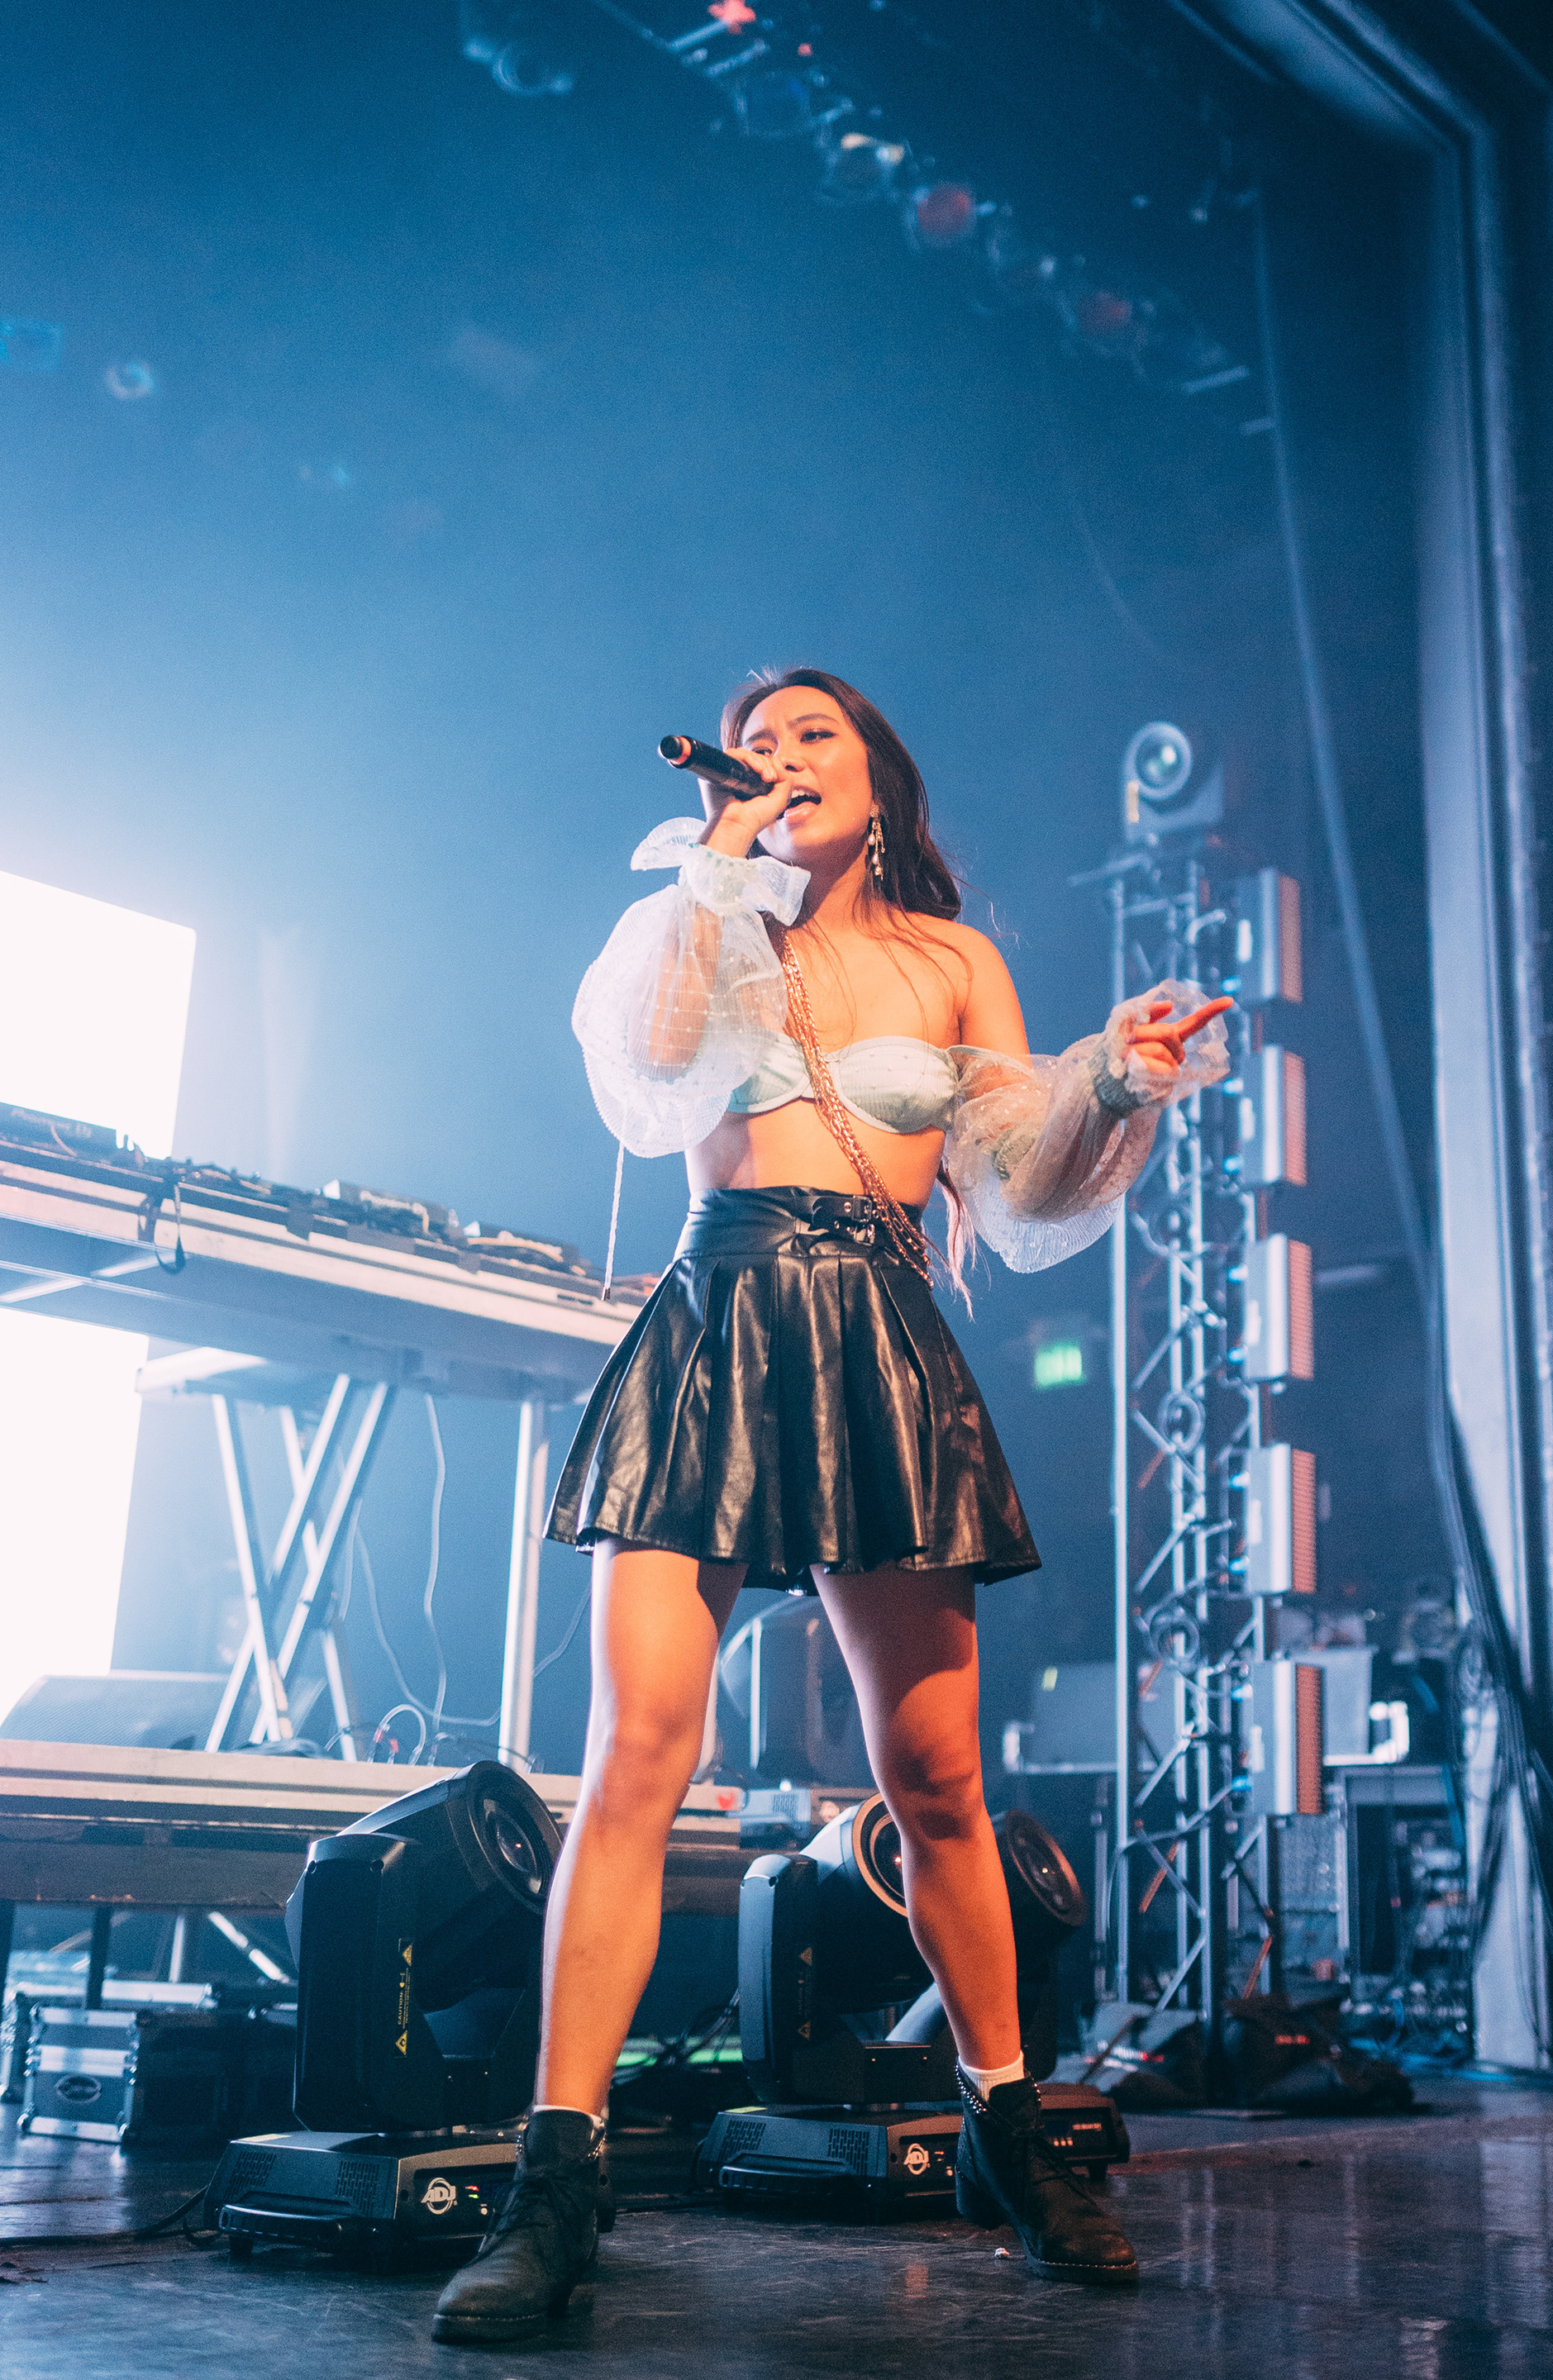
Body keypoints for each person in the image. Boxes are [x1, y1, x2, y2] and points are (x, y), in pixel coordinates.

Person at [432, 669, 1229, 2348]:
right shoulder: (703, 915)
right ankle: (551, 2187)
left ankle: (1011, 2133)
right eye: (759, 741)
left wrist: (1115, 1080)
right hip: (718, 1314)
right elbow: (654, 1070)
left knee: (936, 1779)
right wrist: (720, 869)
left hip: (879, 1327)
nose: (780, 758)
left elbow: (1018, 1179)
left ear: (881, 782)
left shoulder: (951, 961)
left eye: (814, 737)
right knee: (638, 1757)